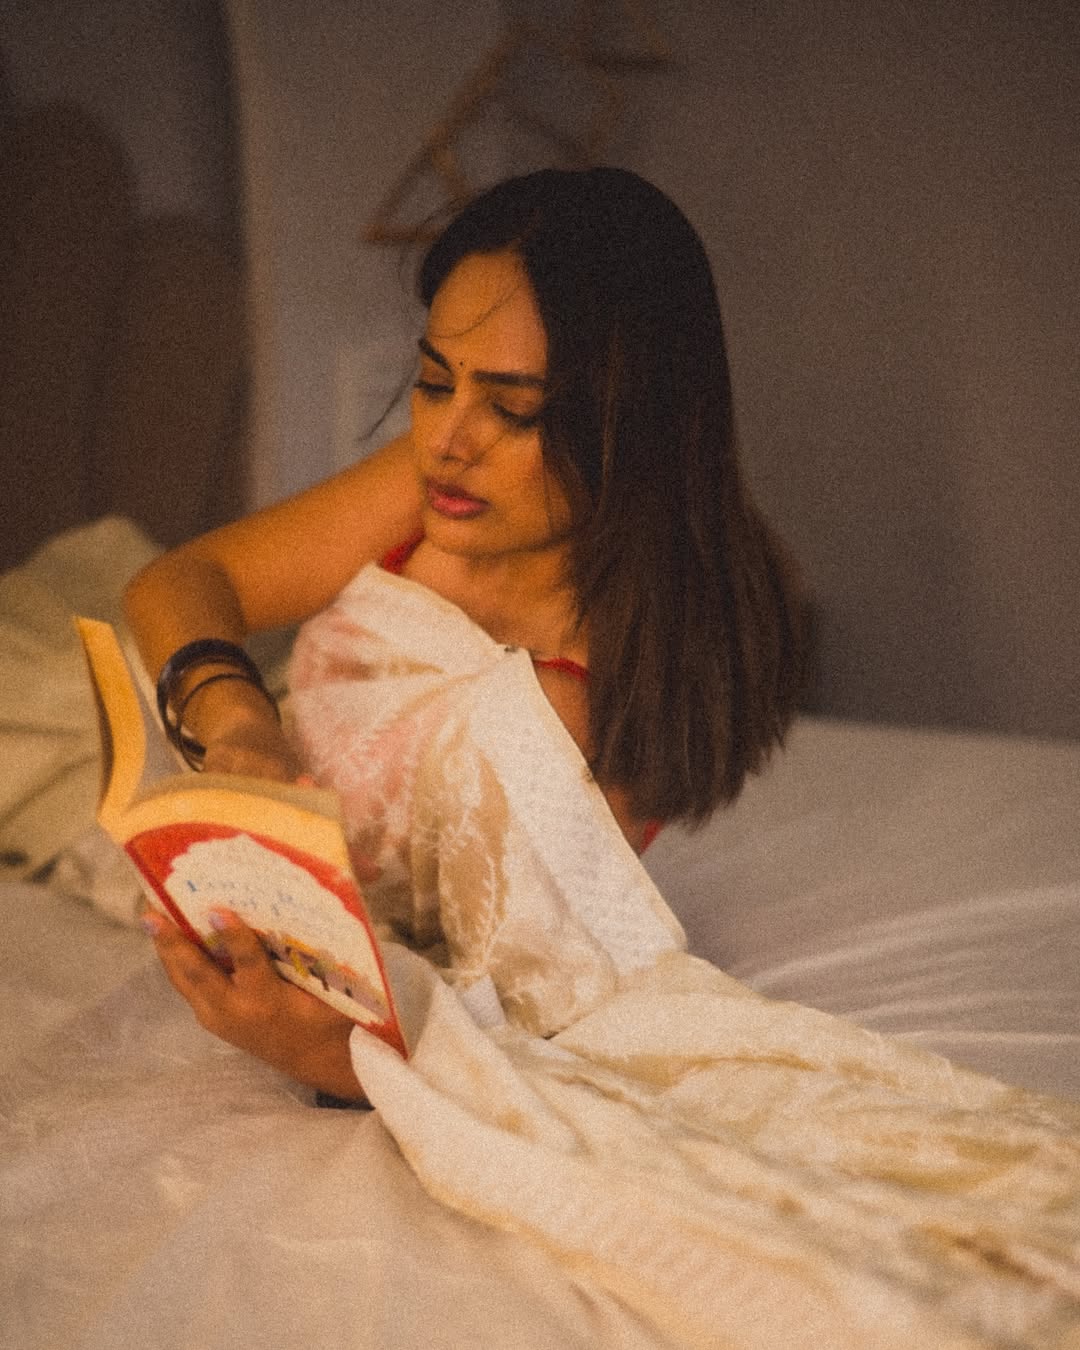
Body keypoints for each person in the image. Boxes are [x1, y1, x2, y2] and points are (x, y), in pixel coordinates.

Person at [124, 166, 807, 1105]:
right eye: (433, 382)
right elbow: (179, 583)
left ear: (632, 425)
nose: (448, 439)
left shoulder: (572, 707)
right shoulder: (449, 493)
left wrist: (319, 1055)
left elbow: (521, 1038)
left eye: (512, 409)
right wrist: (239, 721)